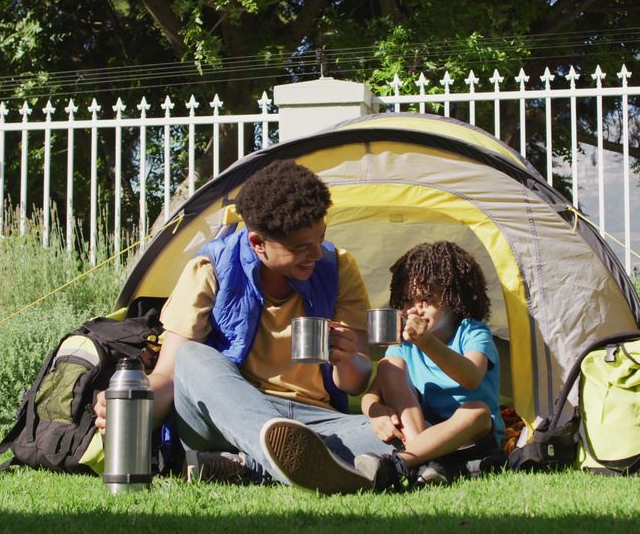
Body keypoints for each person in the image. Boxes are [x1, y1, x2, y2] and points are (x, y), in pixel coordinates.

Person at [95, 159, 392, 495]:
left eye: (320, 238)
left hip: (313, 420)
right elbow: (171, 374)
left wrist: (345, 358)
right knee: (192, 356)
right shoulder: (211, 267)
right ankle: (292, 456)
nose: (314, 254)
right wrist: (135, 403)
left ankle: (249, 466)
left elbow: (353, 383)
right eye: (298, 247)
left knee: (408, 431)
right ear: (257, 242)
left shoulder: (339, 267)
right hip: (226, 414)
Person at [354, 241, 503, 488]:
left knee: (477, 411)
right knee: (389, 365)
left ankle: (398, 464)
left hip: (472, 438)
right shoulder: (403, 344)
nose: (415, 309)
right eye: (406, 300)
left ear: (456, 298)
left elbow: (471, 376)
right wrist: (376, 412)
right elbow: (370, 395)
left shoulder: (472, 332)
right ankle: (426, 464)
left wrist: (425, 342)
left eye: (427, 299)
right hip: (423, 431)